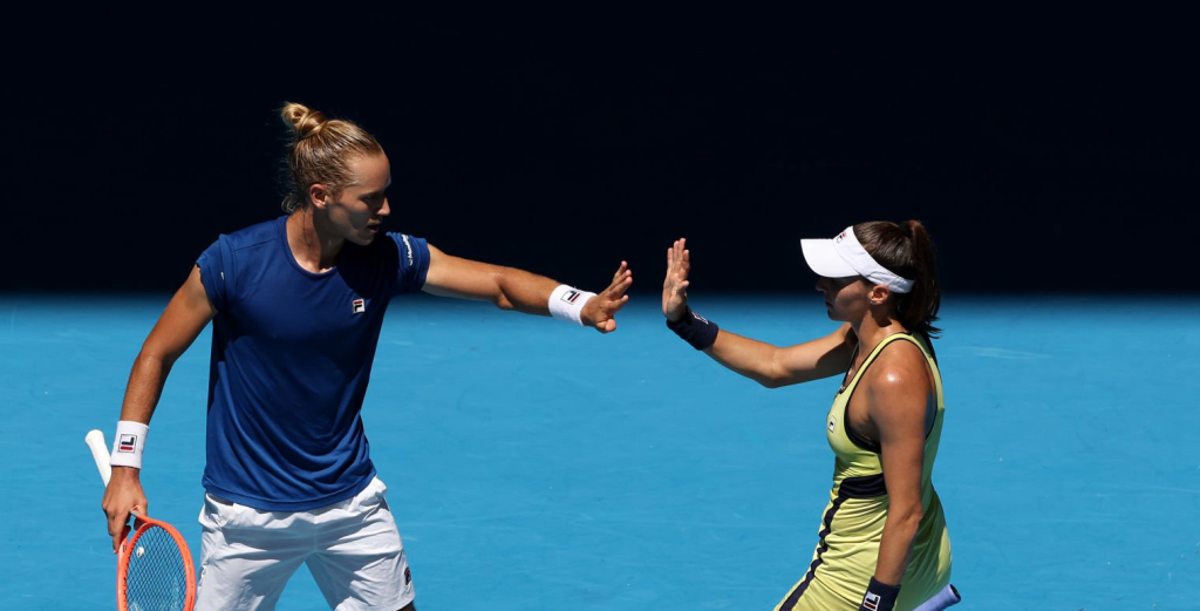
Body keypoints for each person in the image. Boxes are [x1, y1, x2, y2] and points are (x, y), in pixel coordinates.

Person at [100, 102, 633, 611]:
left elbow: (495, 283)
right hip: (248, 517)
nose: (386, 210)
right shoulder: (233, 264)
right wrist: (126, 467)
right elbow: (158, 352)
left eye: (386, 194)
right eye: (370, 199)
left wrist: (580, 304)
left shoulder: (387, 258)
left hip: (350, 505)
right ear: (320, 195)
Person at [660, 222, 957, 611]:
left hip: (861, 577)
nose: (821, 284)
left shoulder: (892, 376)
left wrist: (875, 603)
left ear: (879, 293)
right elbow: (774, 365)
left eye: (836, 278)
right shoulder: (873, 337)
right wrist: (684, 320)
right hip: (920, 561)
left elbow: (906, 511)